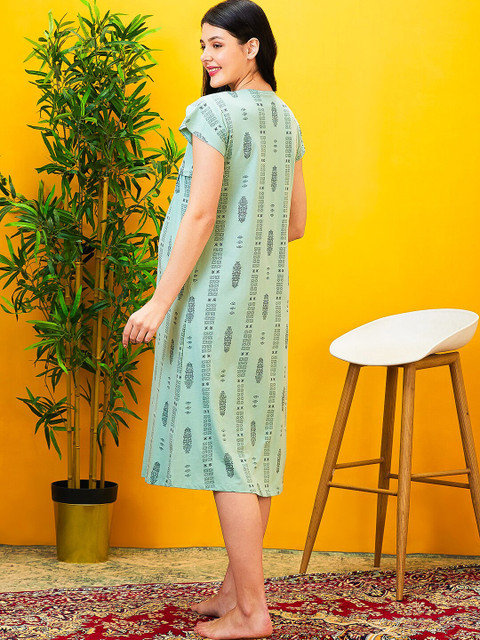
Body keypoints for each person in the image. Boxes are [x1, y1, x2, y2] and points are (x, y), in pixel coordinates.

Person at [122, 0, 307, 637]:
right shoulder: (286, 117)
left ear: (252, 47)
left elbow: (200, 214)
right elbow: (295, 224)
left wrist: (159, 301)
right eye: (202, 45)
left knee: (228, 452)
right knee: (252, 442)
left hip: (213, 304)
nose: (206, 57)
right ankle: (235, 591)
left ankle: (253, 612)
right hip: (265, 308)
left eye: (218, 44)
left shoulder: (213, 113)